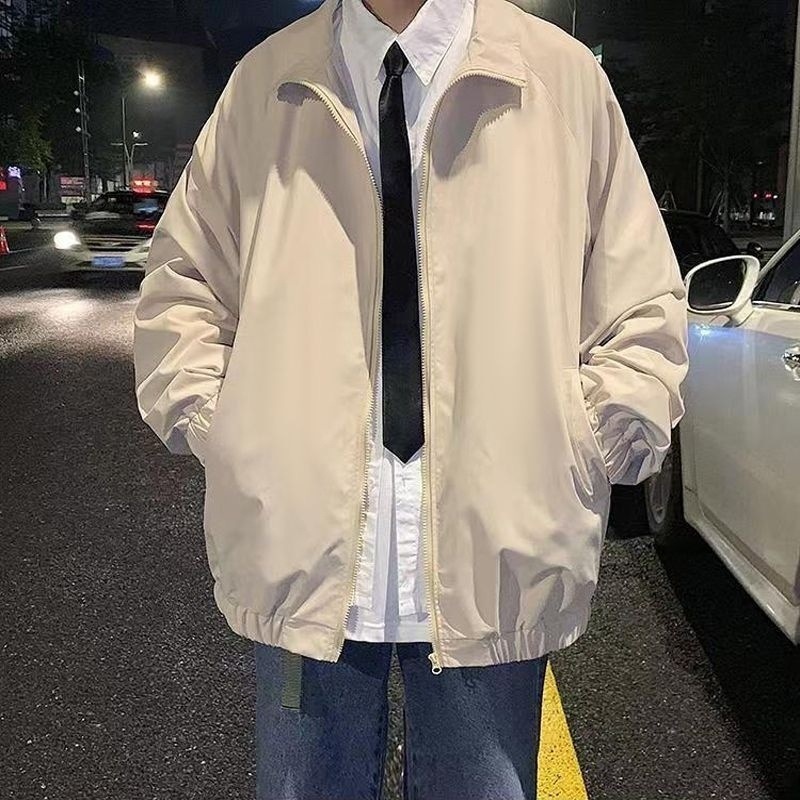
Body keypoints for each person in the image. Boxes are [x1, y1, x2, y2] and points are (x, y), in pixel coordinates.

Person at [132, 0, 689, 796]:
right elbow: (183, 286)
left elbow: (640, 302)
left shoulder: (559, 80)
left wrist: (590, 440)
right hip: (301, 548)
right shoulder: (268, 83)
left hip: (501, 549)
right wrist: (233, 434)